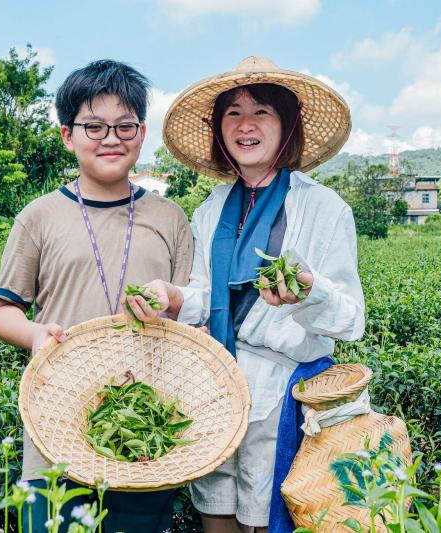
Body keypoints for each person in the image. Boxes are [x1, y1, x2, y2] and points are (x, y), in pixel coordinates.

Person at [125, 56, 366, 533]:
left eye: (261, 111)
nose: (245, 124)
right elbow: (207, 298)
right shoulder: (212, 208)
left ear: (287, 123)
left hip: (281, 394)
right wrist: (171, 297)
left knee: (267, 519)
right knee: (215, 512)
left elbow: (350, 320)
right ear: (219, 129)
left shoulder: (322, 208)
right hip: (215, 386)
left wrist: (308, 290)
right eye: (232, 113)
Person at [0, 59, 193, 533]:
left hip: (145, 433)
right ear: (68, 135)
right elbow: (4, 313)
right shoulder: (38, 217)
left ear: (142, 134)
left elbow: (189, 308)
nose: (110, 138)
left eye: (124, 126)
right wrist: (36, 334)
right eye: (94, 126)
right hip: (56, 425)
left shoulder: (169, 218)